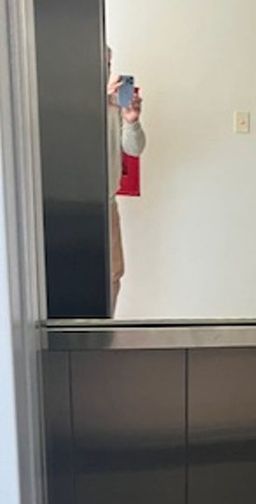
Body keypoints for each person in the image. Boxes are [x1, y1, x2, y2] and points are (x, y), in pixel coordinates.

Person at [106, 47, 146, 310]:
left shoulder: (115, 105)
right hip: (70, 206)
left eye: (109, 64)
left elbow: (134, 148)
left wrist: (131, 121)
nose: (107, 70)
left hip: (107, 203)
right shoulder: (72, 101)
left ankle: (105, 329)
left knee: (113, 275)